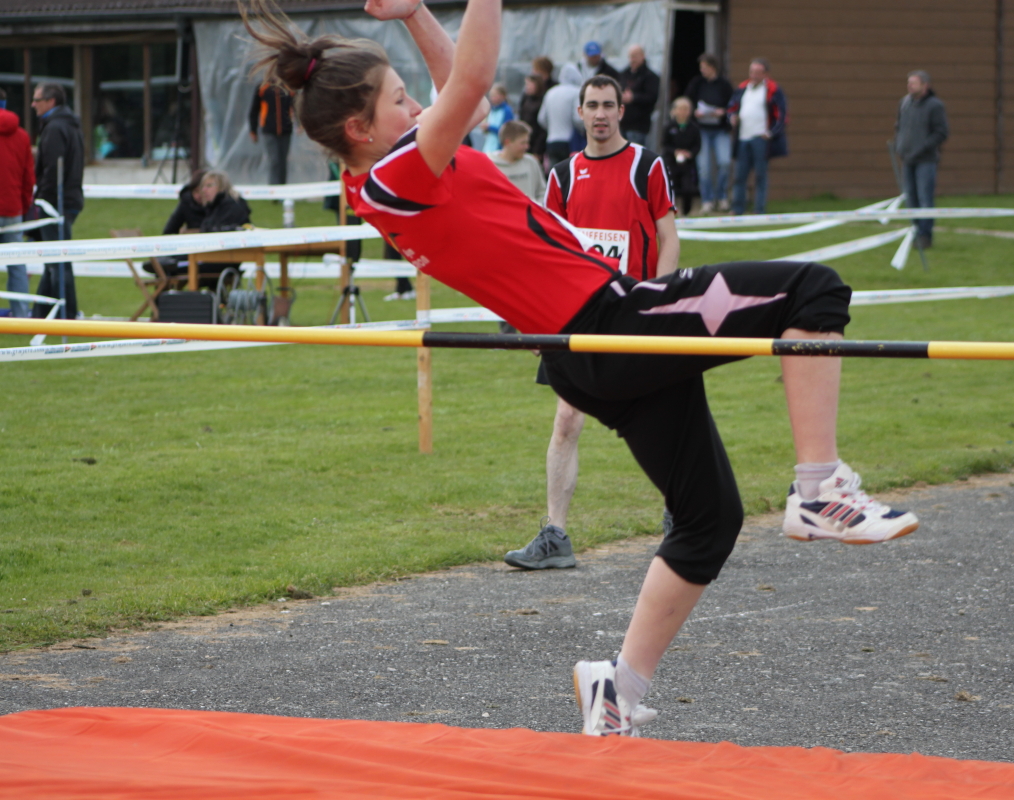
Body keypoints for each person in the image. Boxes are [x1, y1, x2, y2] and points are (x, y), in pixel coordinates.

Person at [244, 0, 918, 738]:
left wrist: (413, 16)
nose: (417, 106)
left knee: (708, 520)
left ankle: (616, 689)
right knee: (814, 290)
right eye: (399, 100)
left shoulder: (388, 175)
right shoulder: (398, 175)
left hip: (583, 350)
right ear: (359, 128)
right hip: (608, 322)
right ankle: (819, 491)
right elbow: (472, 79)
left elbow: (462, 92)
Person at [505, 73, 680, 571]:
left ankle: (682, 516)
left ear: (621, 111)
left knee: (661, 417)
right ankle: (555, 535)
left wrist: (658, 299)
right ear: (579, 113)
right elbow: (549, 250)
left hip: (634, 310)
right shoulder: (562, 175)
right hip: (578, 314)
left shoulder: (647, 164)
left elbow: (669, 238)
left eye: (608, 105)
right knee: (566, 419)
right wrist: (537, 315)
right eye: (592, 105)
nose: (600, 114)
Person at [30, 82, 84, 321]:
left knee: (58, 261)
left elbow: (52, 170)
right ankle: (41, 312)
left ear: (51, 101)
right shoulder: (69, 124)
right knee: (53, 259)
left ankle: (67, 315)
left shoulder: (54, 128)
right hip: (68, 198)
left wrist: (42, 198)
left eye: (37, 100)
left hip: (55, 202)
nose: (33, 104)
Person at [893, 70, 949, 250]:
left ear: (925, 85)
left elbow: (941, 132)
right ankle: (914, 232)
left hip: (926, 160)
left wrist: (923, 147)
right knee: (911, 199)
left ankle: (925, 235)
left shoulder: (935, 105)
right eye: (909, 82)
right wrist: (899, 145)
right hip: (907, 159)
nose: (909, 86)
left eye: (914, 83)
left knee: (925, 198)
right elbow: (899, 126)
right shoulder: (904, 103)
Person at [728, 58, 787, 216]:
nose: (753, 75)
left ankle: (759, 209)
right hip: (743, 138)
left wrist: (771, 133)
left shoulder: (772, 90)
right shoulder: (743, 88)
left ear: (765, 74)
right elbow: (732, 107)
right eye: (752, 72)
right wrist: (732, 117)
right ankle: (737, 208)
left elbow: (781, 115)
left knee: (760, 175)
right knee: (740, 176)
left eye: (757, 72)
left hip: (760, 138)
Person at [0, 87, 35, 318]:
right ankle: (22, 317)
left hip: (13, 206)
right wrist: (23, 206)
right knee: (17, 264)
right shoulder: (22, 136)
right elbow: (28, 178)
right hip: (13, 209)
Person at [685, 53, 734, 215]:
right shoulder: (697, 83)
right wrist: (695, 113)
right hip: (702, 130)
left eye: (705, 67)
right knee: (704, 168)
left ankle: (722, 196)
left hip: (720, 129)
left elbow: (732, 105)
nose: (702, 70)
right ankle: (707, 200)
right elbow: (688, 102)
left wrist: (723, 112)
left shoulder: (724, 84)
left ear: (713, 67)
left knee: (724, 162)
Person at [538, 63, 583, 168]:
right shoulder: (576, 92)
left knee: (556, 173)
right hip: (570, 142)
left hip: (551, 141)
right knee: (571, 172)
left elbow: (541, 118)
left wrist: (552, 128)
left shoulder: (550, 92)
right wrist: (583, 131)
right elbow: (578, 119)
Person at [248, 81, 295, 185]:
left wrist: (300, 124)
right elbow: (254, 110)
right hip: (269, 130)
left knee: (283, 161)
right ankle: (274, 188)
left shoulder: (288, 86)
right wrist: (253, 130)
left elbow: (296, 106)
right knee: (274, 160)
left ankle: (282, 187)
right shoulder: (262, 87)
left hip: (286, 130)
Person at [661, 97, 701, 217]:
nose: (683, 112)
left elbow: (697, 145)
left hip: (688, 164)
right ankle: (669, 211)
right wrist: (675, 152)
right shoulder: (669, 127)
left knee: (688, 188)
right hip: (671, 162)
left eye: (686, 109)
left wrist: (690, 153)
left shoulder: (694, 128)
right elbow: (664, 144)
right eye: (680, 109)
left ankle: (686, 212)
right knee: (670, 186)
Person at [489, 120, 545, 201]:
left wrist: (538, 205)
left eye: (527, 142)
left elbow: (542, 192)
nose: (527, 146)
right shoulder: (490, 164)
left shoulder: (531, 162)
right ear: (508, 142)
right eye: (523, 143)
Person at [617, 44, 659, 146]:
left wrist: (633, 98)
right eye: (631, 56)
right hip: (622, 123)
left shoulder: (650, 76)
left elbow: (652, 98)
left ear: (643, 56)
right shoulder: (624, 74)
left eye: (635, 56)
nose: (632, 59)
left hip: (639, 125)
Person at [517, 73, 548, 158]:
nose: (527, 87)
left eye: (529, 84)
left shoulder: (542, 100)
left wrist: (538, 149)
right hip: (524, 136)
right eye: (526, 84)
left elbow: (542, 127)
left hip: (537, 139)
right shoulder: (525, 98)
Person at [481, 83, 514, 153]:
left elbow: (506, 131)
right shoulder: (492, 109)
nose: (492, 98)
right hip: (489, 146)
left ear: (503, 96)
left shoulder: (507, 111)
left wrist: (489, 127)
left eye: (495, 95)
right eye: (491, 96)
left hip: (499, 148)